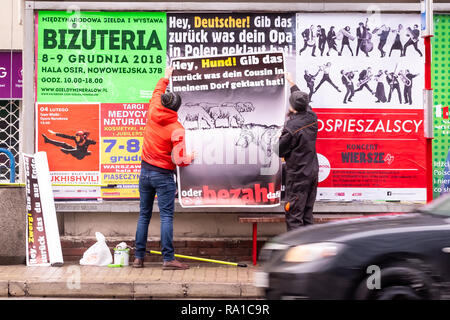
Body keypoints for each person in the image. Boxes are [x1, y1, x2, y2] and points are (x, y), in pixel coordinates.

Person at [133, 66, 195, 270]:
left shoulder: (152, 110)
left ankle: (138, 258)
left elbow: (156, 92)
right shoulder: (176, 129)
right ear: (176, 109)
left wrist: (166, 76)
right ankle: (168, 259)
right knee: (166, 216)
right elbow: (178, 160)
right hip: (163, 175)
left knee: (144, 215)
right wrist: (190, 158)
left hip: (145, 173)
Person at [276, 72, 319, 231]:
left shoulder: (291, 128)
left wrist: (277, 136)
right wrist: (292, 82)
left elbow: (278, 150)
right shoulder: (312, 117)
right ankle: (309, 251)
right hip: (312, 172)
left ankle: (297, 252)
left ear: (292, 107)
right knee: (307, 214)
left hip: (298, 176)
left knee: (294, 214)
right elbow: (302, 101)